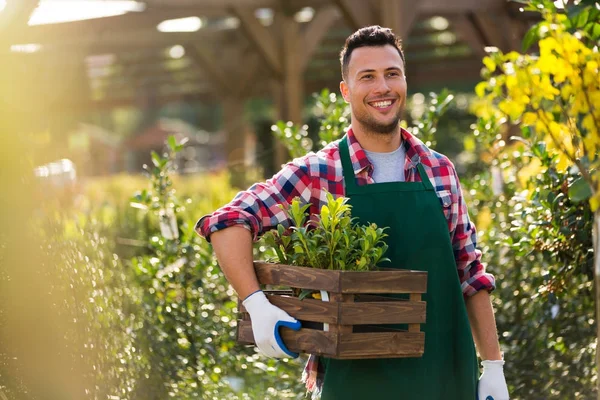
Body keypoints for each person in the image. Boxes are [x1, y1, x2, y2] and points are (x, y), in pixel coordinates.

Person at [196, 25, 509, 400]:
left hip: (445, 381)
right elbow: (227, 222)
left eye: (392, 74)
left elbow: (470, 275)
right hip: (357, 386)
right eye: (368, 77)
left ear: (405, 80)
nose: (383, 87)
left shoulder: (439, 169)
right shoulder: (318, 173)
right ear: (346, 91)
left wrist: (492, 367)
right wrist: (255, 304)